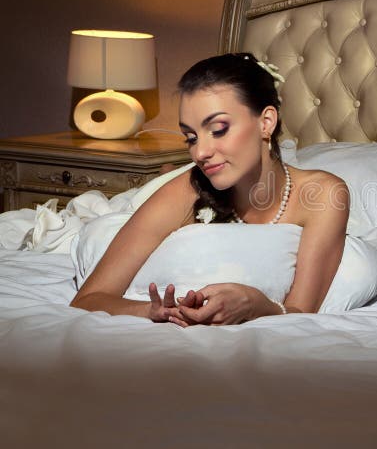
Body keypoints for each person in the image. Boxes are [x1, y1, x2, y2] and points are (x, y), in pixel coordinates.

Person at [71, 52, 349, 325]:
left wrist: (257, 304)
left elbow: (301, 311)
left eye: (218, 129)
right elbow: (89, 299)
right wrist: (153, 312)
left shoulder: (323, 195)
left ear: (266, 123)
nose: (200, 152)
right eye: (190, 138)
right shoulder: (183, 192)